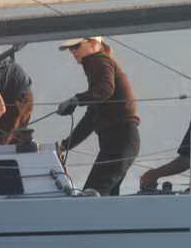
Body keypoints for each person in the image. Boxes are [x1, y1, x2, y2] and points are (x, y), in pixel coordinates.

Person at [55, 37, 140, 196]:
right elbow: (91, 118)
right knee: (103, 197)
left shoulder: (97, 60)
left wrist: (76, 100)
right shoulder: (99, 62)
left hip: (119, 139)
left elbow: (105, 89)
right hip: (121, 141)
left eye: (76, 46)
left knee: (91, 195)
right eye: (70, 48)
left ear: (94, 43)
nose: (72, 51)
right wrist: (65, 145)